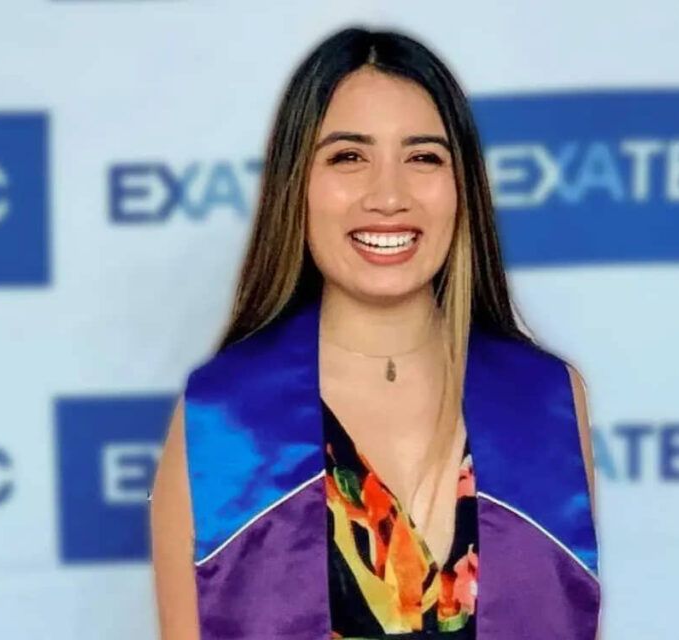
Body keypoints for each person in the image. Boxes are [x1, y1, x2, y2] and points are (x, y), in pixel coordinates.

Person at [149, 26, 601, 640]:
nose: (389, 196)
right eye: (348, 157)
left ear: (462, 187)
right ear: (296, 184)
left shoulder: (545, 400)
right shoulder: (223, 418)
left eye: (423, 158)